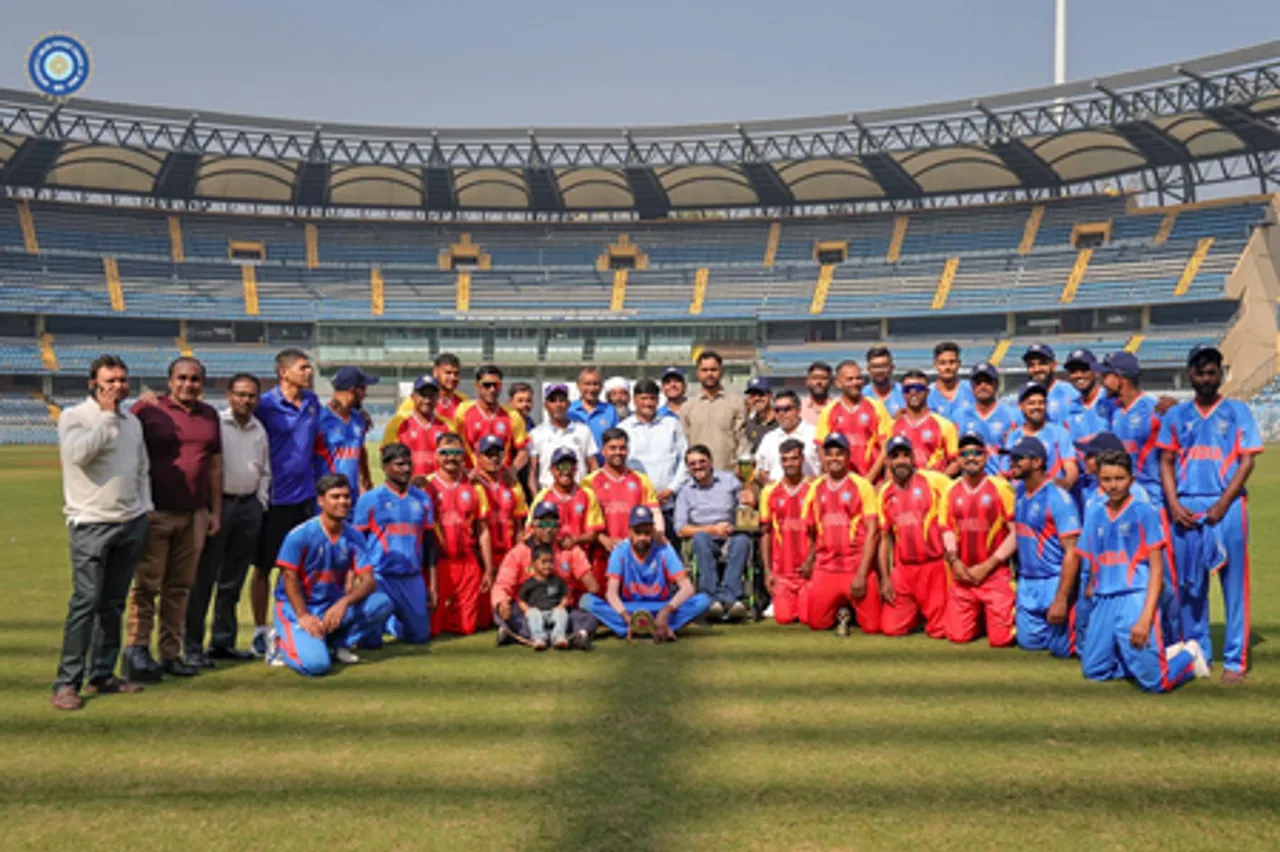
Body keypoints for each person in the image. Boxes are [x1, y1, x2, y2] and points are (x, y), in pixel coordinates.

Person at [51, 354, 152, 711]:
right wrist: (107, 417)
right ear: (93, 383)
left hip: (130, 521)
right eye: (109, 381)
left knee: (112, 604)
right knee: (85, 603)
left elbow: (142, 468)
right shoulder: (74, 417)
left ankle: (103, 674)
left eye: (122, 380)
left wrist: (144, 509)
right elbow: (77, 455)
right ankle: (67, 682)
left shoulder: (132, 422)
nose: (117, 386)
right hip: (90, 522)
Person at [1158, 344, 1261, 684]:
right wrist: (1173, 504)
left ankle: (1235, 660)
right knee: (1190, 586)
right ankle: (1198, 652)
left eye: (1211, 372)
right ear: (1190, 374)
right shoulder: (1176, 416)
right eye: (1200, 372)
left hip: (1227, 505)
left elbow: (1247, 461)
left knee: (1233, 585)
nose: (1206, 378)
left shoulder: (1237, 411)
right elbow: (1167, 461)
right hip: (1186, 505)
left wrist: (1222, 504)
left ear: (1220, 375)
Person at [1072, 450, 1208, 691]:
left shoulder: (1144, 512)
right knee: (1093, 670)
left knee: (1157, 683)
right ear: (1099, 482)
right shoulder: (1094, 515)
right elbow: (1091, 559)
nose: (1113, 486)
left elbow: (1157, 569)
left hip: (1134, 596)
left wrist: (1145, 617)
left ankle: (1189, 655)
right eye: (1106, 480)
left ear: (1131, 480)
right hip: (1104, 599)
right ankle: (1154, 656)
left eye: (1119, 479)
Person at [125, 356, 222, 680]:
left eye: (194, 379)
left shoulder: (209, 416)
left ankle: (170, 653)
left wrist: (214, 510)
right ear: (170, 381)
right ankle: (137, 651)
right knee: (146, 586)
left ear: (202, 384)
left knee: (180, 588)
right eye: (182, 378)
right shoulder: (148, 411)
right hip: (155, 512)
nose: (188, 384)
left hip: (194, 513)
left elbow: (215, 467)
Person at [184, 373, 270, 666]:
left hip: (249, 508)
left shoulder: (259, 428)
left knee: (232, 581)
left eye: (252, 396)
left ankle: (223, 642)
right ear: (229, 396)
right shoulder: (215, 424)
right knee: (204, 579)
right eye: (241, 395)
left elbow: (265, 469)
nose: (246, 401)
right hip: (220, 506)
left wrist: (260, 502)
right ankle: (192, 645)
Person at [271, 475, 393, 676]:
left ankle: (337, 644)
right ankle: (279, 643)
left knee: (382, 603)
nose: (343, 502)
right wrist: (303, 615)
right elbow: (289, 578)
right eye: (335, 497)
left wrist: (343, 603)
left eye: (346, 497)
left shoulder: (353, 536)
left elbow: (368, 580)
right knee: (317, 666)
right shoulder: (300, 535)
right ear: (320, 501)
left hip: (330, 607)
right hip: (296, 608)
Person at [250, 348, 321, 658]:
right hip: (274, 499)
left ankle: (293, 623)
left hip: (305, 499)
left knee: (299, 568)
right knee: (264, 567)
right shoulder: (264, 406)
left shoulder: (312, 403)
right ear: (284, 372)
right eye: (303, 368)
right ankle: (259, 630)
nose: (309, 373)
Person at [580, 506, 712, 642]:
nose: (642, 537)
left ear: (653, 531)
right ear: (630, 531)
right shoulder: (620, 551)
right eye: (638, 532)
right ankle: (655, 628)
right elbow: (611, 593)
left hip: (660, 606)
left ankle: (640, 628)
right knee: (588, 601)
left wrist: (665, 612)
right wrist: (626, 617)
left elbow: (687, 588)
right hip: (630, 608)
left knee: (703, 601)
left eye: (647, 532)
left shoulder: (664, 549)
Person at [351, 443, 436, 646]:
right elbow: (356, 543)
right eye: (399, 465)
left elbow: (430, 543)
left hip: (411, 578)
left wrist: (432, 585)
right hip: (380, 577)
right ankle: (381, 615)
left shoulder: (422, 499)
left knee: (420, 637)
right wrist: (357, 579)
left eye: (408, 464)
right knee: (370, 644)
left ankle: (394, 620)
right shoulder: (369, 500)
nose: (406, 469)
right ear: (385, 467)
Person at [799, 434, 882, 635]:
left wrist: (862, 573)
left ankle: (848, 608)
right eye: (829, 454)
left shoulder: (862, 486)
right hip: (827, 567)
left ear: (848, 456)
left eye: (839, 454)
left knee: (873, 627)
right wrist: (810, 559)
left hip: (854, 566)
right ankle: (841, 608)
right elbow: (811, 529)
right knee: (816, 624)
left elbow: (873, 532)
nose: (834, 458)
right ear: (823, 457)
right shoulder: (815, 488)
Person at [942, 432, 1017, 647]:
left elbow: (1015, 533)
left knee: (1001, 640)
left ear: (985, 457)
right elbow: (946, 529)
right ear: (958, 459)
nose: (971, 457)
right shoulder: (950, 490)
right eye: (965, 453)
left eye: (976, 453)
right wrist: (955, 563)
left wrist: (988, 565)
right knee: (957, 637)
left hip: (995, 575)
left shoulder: (1001, 487)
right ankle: (982, 616)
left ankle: (1004, 612)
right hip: (963, 574)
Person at [1008, 436, 1081, 657]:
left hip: (1053, 579)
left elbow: (1072, 551)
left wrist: (1061, 599)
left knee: (1062, 649)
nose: (1013, 463)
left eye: (1019, 458)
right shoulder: (1020, 492)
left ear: (1038, 462)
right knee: (1028, 642)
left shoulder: (1057, 497)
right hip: (1029, 582)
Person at [492, 502, 599, 649]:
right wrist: (501, 603)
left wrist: (583, 570)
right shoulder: (519, 552)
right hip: (529, 612)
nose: (548, 529)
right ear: (533, 526)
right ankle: (566, 637)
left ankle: (523, 635)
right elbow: (502, 584)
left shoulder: (569, 550)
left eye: (553, 524)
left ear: (558, 527)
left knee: (591, 618)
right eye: (543, 524)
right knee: (502, 613)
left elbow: (592, 586)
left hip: (559, 611)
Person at [877, 436, 951, 638]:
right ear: (887, 461)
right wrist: (885, 578)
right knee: (891, 629)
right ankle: (917, 611)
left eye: (905, 455)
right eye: (895, 456)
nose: (901, 461)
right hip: (903, 570)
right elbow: (884, 538)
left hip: (934, 566)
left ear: (913, 457)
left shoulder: (936, 481)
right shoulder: (884, 493)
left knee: (940, 631)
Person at [424, 433, 494, 636]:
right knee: (432, 629)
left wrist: (488, 569)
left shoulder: (474, 487)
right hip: (439, 564)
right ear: (437, 456)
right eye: (445, 453)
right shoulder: (427, 486)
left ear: (464, 456)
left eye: (456, 453)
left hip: (467, 562)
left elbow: (483, 530)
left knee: (467, 628)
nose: (451, 458)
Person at [675, 444, 752, 621]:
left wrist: (749, 501)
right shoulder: (685, 491)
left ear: (711, 462)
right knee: (701, 538)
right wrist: (712, 529)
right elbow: (680, 529)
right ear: (688, 467)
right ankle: (710, 599)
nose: (698, 466)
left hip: (730, 534)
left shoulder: (729, 481)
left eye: (702, 461)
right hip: (705, 537)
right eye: (692, 463)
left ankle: (729, 598)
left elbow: (744, 507)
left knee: (743, 540)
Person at [582, 428, 662, 576]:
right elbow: (583, 521)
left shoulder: (641, 480)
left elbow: (654, 513)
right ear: (603, 451)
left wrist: (655, 536)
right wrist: (602, 538)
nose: (618, 452)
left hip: (636, 552)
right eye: (613, 448)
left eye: (622, 448)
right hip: (602, 553)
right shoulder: (589, 482)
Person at [619, 378, 688, 535]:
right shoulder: (624, 428)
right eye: (643, 398)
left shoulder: (672, 425)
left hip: (668, 503)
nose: (648, 403)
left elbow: (684, 459)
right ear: (634, 400)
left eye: (652, 398)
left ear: (658, 400)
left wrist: (672, 488)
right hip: (636, 504)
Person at [1100, 352, 1165, 512]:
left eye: (1106, 376)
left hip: (1152, 497)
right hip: (1123, 495)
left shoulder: (1154, 408)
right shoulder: (1114, 411)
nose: (1103, 382)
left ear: (1120, 379)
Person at [759, 439, 812, 625]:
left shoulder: (813, 488)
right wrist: (768, 571)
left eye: (794, 459)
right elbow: (765, 533)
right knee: (784, 618)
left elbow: (820, 533)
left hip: (808, 571)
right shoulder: (770, 492)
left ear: (802, 459)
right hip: (783, 571)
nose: (789, 464)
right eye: (785, 460)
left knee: (808, 618)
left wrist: (812, 561)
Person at [532, 448, 606, 582]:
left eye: (570, 466)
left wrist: (575, 540)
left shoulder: (587, 494)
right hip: (551, 565)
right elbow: (531, 530)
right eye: (561, 466)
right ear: (552, 469)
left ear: (576, 469)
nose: (566, 471)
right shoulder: (542, 497)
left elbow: (593, 533)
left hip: (583, 564)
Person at [813, 359, 892, 480]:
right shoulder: (828, 411)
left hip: (873, 480)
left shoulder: (877, 407)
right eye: (850, 379)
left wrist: (869, 478)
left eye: (858, 378)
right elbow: (822, 449)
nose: (855, 382)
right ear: (838, 383)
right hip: (841, 481)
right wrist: (835, 477)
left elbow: (885, 447)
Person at [679, 350, 747, 471]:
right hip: (698, 474)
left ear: (721, 372)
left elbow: (741, 440)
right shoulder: (687, 407)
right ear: (698, 373)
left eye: (713, 370)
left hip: (728, 473)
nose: (709, 374)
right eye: (704, 370)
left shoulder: (736, 403)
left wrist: (740, 467)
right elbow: (684, 443)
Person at [314, 366, 375, 499]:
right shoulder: (320, 420)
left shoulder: (359, 419)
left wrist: (366, 479)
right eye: (363, 389)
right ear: (353, 390)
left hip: (352, 495)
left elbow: (360, 450)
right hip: (328, 497)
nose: (365, 394)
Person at [1005, 382, 1078, 491]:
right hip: (1022, 497)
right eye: (1031, 403)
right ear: (1021, 406)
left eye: (1041, 403)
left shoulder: (1059, 432)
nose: (1037, 407)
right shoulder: (1013, 436)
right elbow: (1007, 470)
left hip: (1050, 494)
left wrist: (1066, 483)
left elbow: (1070, 466)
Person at [382, 352, 468, 443]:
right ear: (435, 372)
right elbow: (400, 426)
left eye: (456, 374)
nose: (453, 377)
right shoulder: (412, 402)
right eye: (448, 373)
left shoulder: (464, 402)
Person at [456, 365, 529, 472]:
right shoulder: (462, 411)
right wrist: (464, 471)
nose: (492, 389)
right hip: (473, 479)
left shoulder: (512, 415)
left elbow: (523, 451)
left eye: (496, 385)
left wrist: (512, 471)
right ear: (477, 386)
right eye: (487, 385)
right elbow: (452, 445)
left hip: (502, 479)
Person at [528, 382, 599, 492]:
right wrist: (536, 498)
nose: (558, 404)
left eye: (562, 400)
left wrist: (591, 494)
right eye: (553, 401)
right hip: (548, 495)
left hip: (579, 494)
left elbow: (593, 465)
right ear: (546, 405)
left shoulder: (583, 430)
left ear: (568, 404)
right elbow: (532, 471)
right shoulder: (536, 433)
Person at [475, 434, 529, 577]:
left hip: (508, 553)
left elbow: (519, 525)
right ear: (479, 457)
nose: (494, 459)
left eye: (497, 454)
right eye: (488, 455)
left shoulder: (512, 484)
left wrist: (518, 556)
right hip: (481, 557)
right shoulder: (473, 484)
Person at [953, 362, 1021, 476]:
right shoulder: (959, 415)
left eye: (988, 382)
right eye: (978, 382)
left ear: (996, 384)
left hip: (1003, 481)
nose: (983, 386)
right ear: (972, 386)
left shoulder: (1013, 415)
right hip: (971, 482)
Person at [1062, 349, 1112, 495]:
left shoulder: (1110, 400)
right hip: (1084, 488)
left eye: (1084, 369)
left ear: (1095, 371)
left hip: (1112, 484)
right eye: (1073, 371)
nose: (1078, 375)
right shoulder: (1069, 410)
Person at [892, 369, 959, 476]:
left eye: (918, 388)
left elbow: (956, 462)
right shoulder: (893, 425)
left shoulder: (945, 425)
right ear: (902, 393)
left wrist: (938, 481)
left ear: (927, 392)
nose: (913, 392)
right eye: (908, 389)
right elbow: (888, 463)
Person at [754, 389, 820, 483]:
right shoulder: (769, 438)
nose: (781, 413)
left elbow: (826, 469)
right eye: (777, 410)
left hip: (808, 493)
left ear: (798, 410)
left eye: (786, 409)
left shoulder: (815, 434)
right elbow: (759, 469)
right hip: (777, 494)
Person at [398, 375, 450, 485]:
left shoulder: (447, 426)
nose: (427, 400)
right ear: (413, 396)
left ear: (438, 398)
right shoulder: (400, 423)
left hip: (438, 489)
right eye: (423, 395)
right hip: (408, 488)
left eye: (432, 395)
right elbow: (389, 459)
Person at [518, 545, 573, 650]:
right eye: (544, 562)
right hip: (537, 612)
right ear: (533, 564)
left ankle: (558, 637)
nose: (548, 565)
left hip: (553, 611)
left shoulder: (557, 580)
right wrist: (527, 610)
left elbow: (565, 596)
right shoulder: (529, 583)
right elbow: (521, 600)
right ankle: (539, 638)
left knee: (562, 613)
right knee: (533, 614)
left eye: (550, 562)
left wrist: (561, 606)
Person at [1022, 344, 1078, 424]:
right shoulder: (1022, 397)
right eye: (1031, 365)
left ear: (1054, 365)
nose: (1036, 369)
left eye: (1042, 363)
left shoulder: (1070, 393)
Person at [568, 366, 618, 452]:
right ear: (578, 385)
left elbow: (616, 440)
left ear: (601, 386)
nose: (591, 389)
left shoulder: (610, 410)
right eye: (587, 384)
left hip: (602, 463)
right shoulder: (569, 410)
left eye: (595, 384)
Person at [928, 341, 976, 422]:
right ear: (935, 365)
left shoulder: (972, 389)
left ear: (959, 363)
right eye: (942, 363)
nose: (948, 367)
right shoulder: (926, 393)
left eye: (952, 362)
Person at [507, 381, 536, 501]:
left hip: (527, 481)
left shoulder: (532, 425)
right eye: (520, 401)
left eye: (528, 401)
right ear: (511, 402)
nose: (525, 404)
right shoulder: (506, 423)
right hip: (509, 479)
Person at [865, 346, 905, 415]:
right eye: (875, 367)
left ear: (892, 368)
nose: (880, 371)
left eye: (884, 366)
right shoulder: (862, 396)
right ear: (868, 369)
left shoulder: (905, 393)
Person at [743, 377, 777, 453]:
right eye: (753, 395)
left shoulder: (781, 422)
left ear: (771, 396)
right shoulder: (749, 425)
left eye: (761, 394)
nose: (757, 398)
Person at [800, 361, 834, 426]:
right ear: (807, 381)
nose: (819, 382)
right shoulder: (798, 408)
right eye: (815, 378)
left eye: (824, 378)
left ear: (830, 382)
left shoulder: (837, 407)